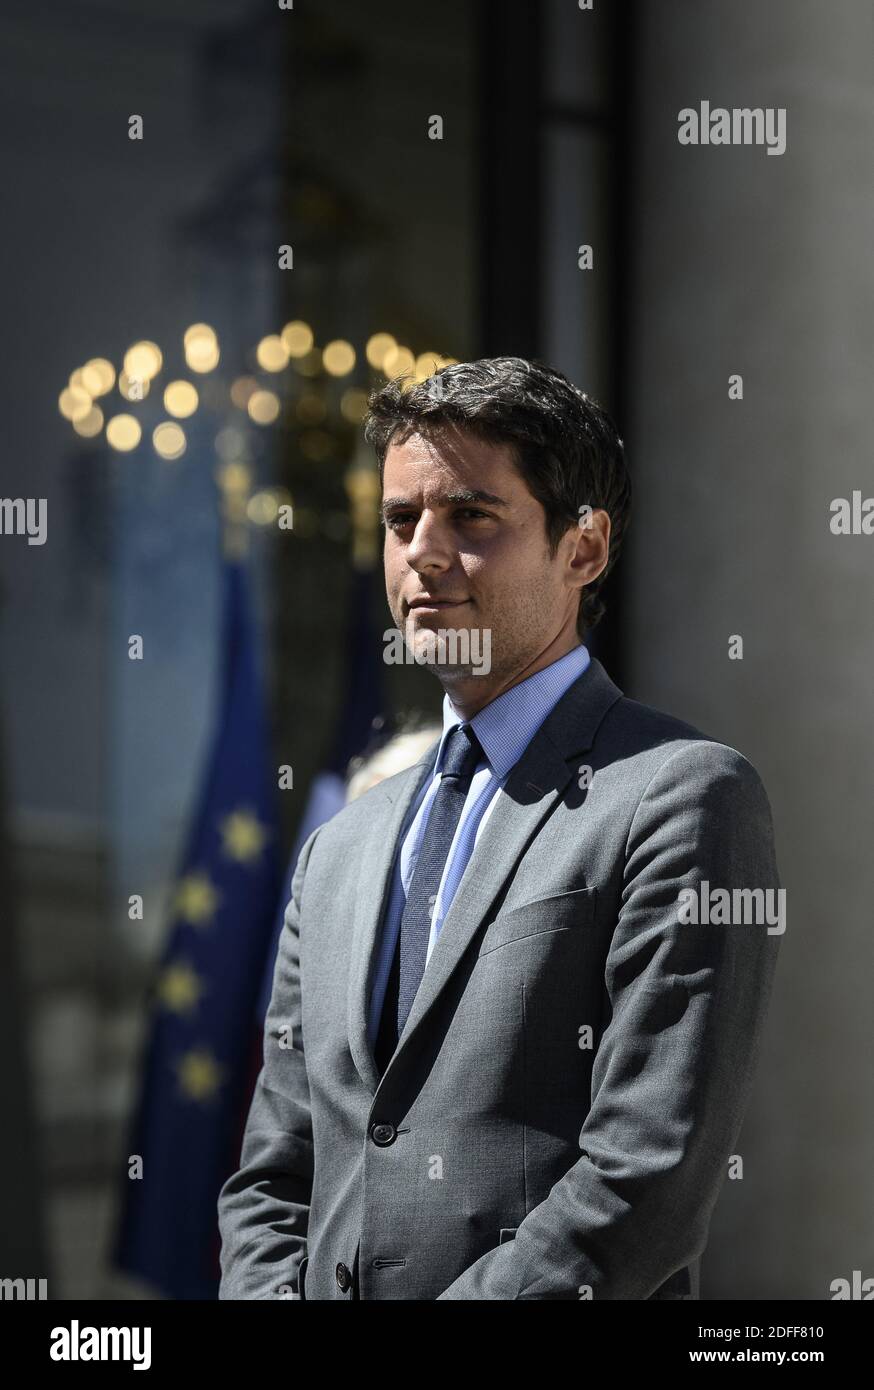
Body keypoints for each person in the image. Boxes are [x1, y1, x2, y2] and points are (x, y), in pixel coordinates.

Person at [217, 355, 782, 1300]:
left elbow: (648, 1178)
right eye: (401, 520)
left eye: (471, 516)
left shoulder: (682, 796)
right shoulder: (338, 850)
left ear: (583, 549)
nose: (423, 553)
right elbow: (274, 1176)